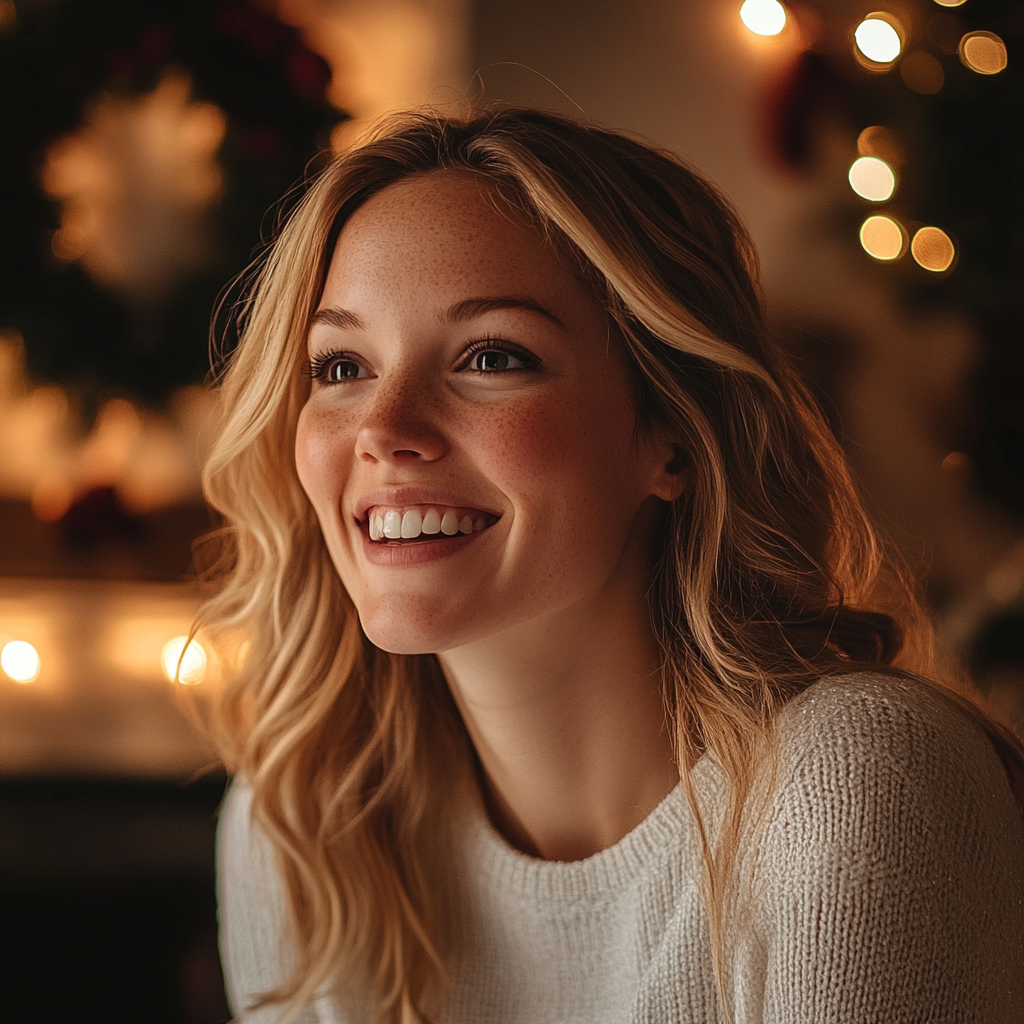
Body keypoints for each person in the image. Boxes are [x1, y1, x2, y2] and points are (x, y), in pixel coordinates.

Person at [202, 108, 1024, 1024]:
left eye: (491, 356)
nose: (385, 431)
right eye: (341, 366)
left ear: (672, 434)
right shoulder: (299, 825)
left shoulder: (855, 788)